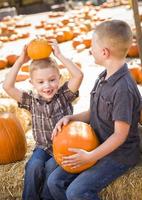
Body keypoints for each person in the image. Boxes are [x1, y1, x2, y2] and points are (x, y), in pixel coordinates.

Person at [44, 20, 141, 200]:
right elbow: (93, 112)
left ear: (104, 52)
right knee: (54, 181)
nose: (90, 50)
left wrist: (90, 157)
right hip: (96, 146)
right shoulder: (103, 76)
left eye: (92, 46)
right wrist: (71, 118)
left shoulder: (123, 89)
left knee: (76, 192)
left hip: (118, 155)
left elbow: (120, 135)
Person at [3, 39, 83, 200]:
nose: (47, 86)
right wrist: (20, 60)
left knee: (49, 168)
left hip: (63, 148)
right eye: (40, 82)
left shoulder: (64, 96)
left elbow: (78, 75)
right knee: (33, 167)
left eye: (52, 80)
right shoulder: (31, 100)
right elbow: (7, 86)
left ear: (59, 78)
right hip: (42, 147)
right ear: (32, 83)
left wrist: (59, 55)